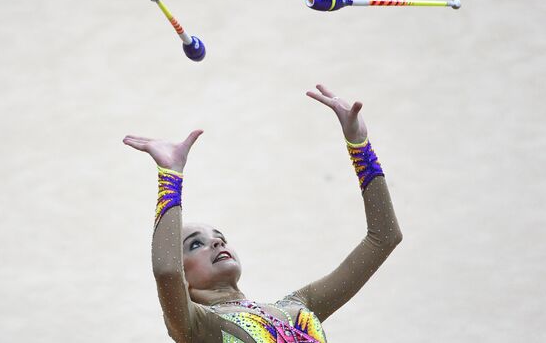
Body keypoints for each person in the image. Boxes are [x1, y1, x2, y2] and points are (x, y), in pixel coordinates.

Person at [123, 84, 403, 343]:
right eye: (195, 244)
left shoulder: (299, 306)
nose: (217, 243)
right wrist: (170, 177)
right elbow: (166, 270)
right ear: (183, 276)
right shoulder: (196, 325)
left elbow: (385, 237)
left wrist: (359, 144)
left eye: (219, 237)